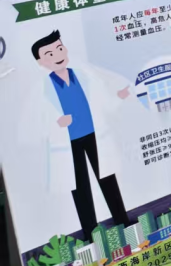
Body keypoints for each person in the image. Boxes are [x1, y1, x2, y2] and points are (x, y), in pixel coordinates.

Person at [33, 30, 133, 242]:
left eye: (59, 49)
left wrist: (119, 98)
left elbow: (102, 101)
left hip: (94, 134)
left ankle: (122, 221)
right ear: (41, 61)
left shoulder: (82, 75)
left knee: (107, 178)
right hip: (68, 142)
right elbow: (39, 119)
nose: (57, 55)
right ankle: (90, 232)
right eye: (49, 54)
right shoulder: (45, 87)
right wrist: (57, 123)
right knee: (80, 186)